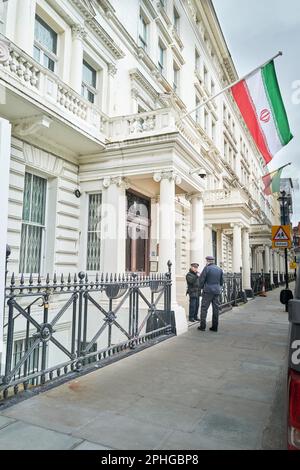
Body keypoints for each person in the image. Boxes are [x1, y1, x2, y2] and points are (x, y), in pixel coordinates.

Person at [198, 255, 223, 332]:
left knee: (204, 308)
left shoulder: (207, 268)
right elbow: (221, 281)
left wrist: (200, 288)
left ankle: (202, 326)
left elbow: (201, 280)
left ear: (207, 261)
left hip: (208, 291)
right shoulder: (219, 269)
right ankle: (215, 327)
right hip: (216, 291)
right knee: (216, 309)